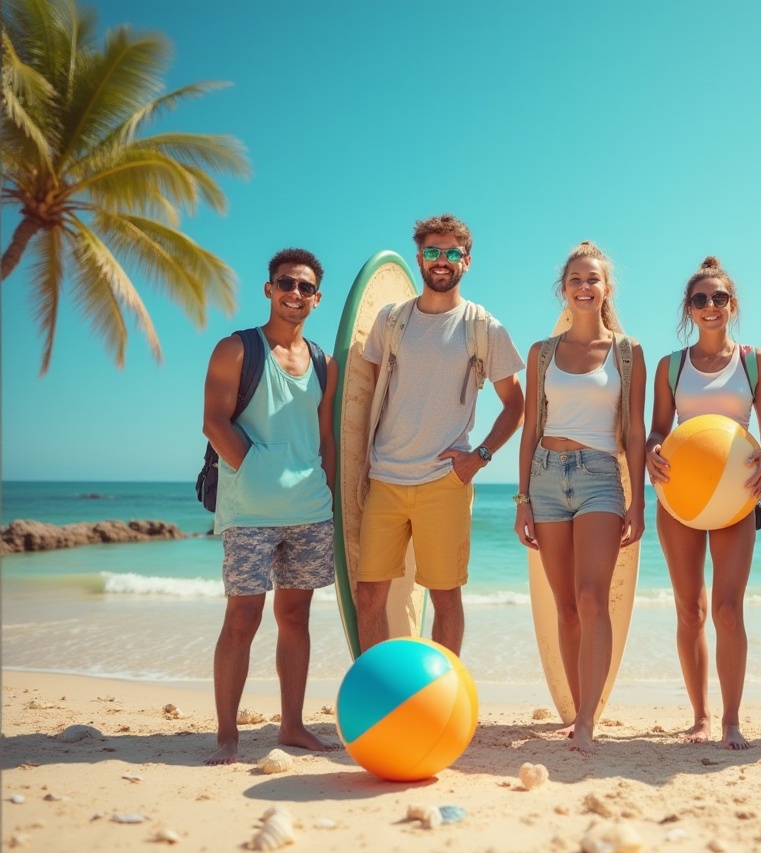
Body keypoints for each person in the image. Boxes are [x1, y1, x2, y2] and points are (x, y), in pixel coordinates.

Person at [355, 214, 524, 655]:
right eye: (433, 252)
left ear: (467, 261)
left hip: (443, 483)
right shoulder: (391, 320)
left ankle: (442, 698)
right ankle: (377, 696)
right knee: (368, 596)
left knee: (445, 599)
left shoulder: (483, 326)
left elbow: (517, 404)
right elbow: (363, 396)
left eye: (452, 252)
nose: (442, 260)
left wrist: (480, 455)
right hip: (385, 479)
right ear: (419, 258)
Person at [202, 247, 340, 766]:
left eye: (306, 288)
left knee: (296, 618)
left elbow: (324, 437)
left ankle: (293, 725)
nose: (295, 294)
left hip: (310, 510)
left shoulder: (324, 362)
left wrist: (325, 488)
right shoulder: (236, 349)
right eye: (287, 283)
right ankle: (227, 735)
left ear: (317, 298)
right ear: (269, 288)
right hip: (250, 512)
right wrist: (258, 472)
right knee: (242, 618)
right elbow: (214, 422)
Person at [513, 242, 647, 755]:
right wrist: (522, 498)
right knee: (565, 607)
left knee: (593, 598)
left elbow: (633, 431)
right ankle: (574, 710)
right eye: (575, 279)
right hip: (546, 475)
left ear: (605, 288)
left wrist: (638, 501)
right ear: (563, 290)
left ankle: (589, 718)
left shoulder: (627, 351)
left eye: (592, 279)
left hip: (599, 477)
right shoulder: (542, 353)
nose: (584, 287)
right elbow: (529, 430)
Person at [646, 257, 761, 750]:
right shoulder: (671, 365)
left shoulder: (754, 361)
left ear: (732, 304)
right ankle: (700, 717)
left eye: (718, 298)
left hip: (737, 500)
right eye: (700, 299)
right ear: (689, 307)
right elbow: (658, 429)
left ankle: (731, 721)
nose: (710, 306)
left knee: (727, 609)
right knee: (690, 609)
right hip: (678, 496)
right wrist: (650, 449)